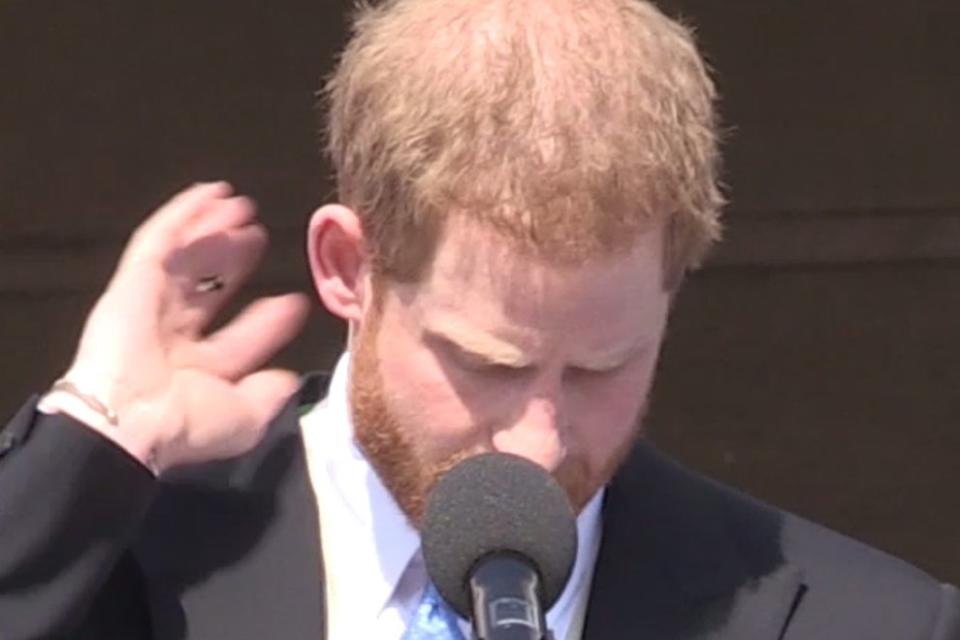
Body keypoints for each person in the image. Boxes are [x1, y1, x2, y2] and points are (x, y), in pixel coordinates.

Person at [0, 0, 957, 638]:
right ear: (348, 267)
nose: (538, 444)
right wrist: (96, 432)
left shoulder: (863, 620)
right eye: (487, 364)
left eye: (601, 368)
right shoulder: (102, 563)